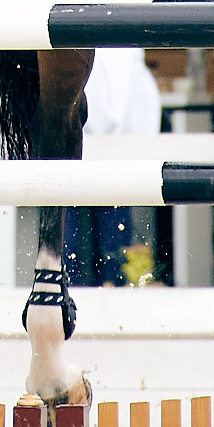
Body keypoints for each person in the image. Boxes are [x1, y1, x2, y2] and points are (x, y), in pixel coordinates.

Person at [65, 47, 162, 285]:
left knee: (104, 241)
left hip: (99, 151)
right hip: (98, 152)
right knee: (90, 239)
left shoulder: (124, 56)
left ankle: (98, 292)